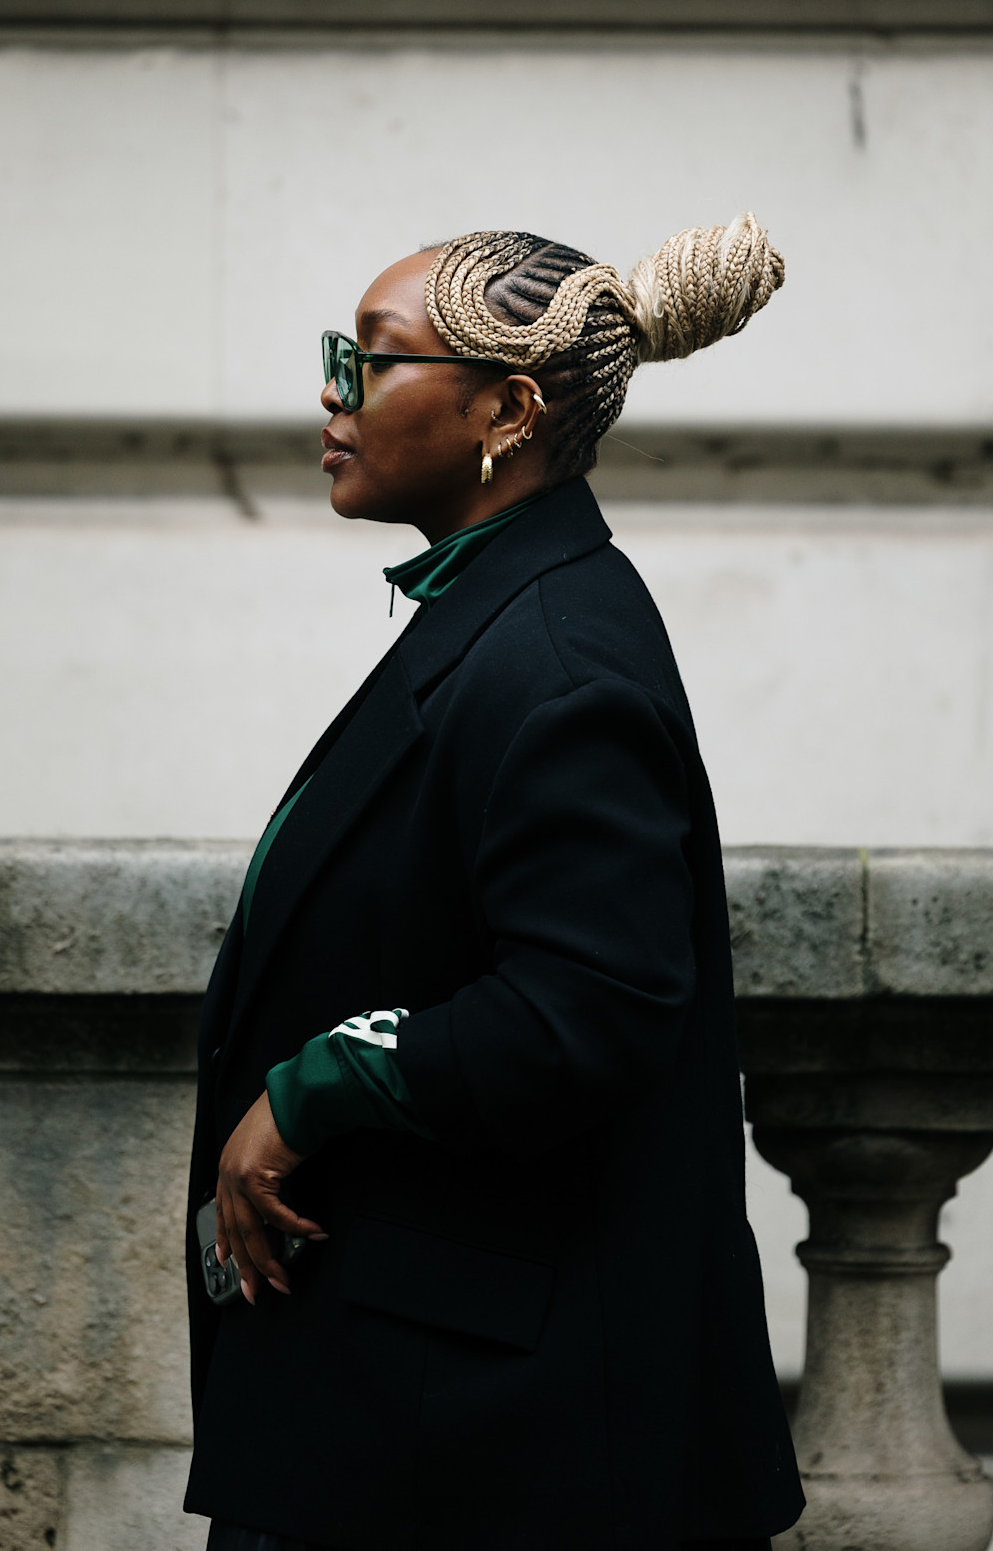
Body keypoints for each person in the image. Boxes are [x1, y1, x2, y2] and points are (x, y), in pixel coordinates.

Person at [184, 220, 804, 1551]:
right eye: (335, 357)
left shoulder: (558, 660)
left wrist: (307, 1093)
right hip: (428, 1406)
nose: (332, 395)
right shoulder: (500, 616)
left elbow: (590, 1009)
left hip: (492, 1443)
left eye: (373, 362)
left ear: (507, 408)